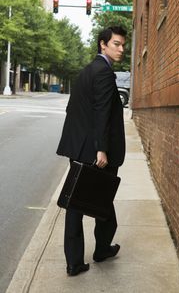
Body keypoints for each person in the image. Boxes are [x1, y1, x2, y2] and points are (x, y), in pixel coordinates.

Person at [56, 26, 127, 276]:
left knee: (82, 202)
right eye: (116, 44)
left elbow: (73, 109)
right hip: (95, 151)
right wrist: (101, 150)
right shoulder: (104, 73)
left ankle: (80, 258)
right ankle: (97, 251)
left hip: (79, 146)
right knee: (98, 200)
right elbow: (102, 114)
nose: (121, 49)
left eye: (122, 45)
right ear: (103, 44)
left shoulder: (87, 70)